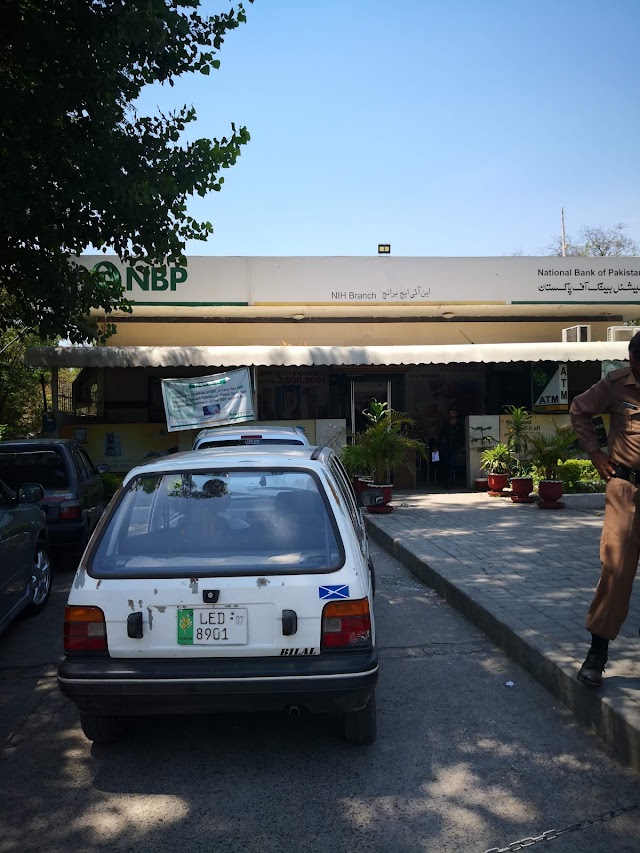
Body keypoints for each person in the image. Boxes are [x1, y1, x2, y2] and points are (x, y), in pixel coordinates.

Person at [570, 330, 640, 687]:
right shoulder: (615, 384)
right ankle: (597, 655)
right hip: (626, 488)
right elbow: (579, 410)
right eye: (636, 365)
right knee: (616, 570)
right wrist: (595, 453)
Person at [436, 408, 465, 488]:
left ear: (456, 414)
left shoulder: (459, 425)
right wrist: (437, 446)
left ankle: (450, 482)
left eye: (453, 413)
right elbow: (441, 436)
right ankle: (448, 481)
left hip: (456, 447)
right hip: (447, 447)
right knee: (446, 464)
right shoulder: (446, 424)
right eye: (450, 413)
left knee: (451, 464)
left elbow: (462, 436)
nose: (451, 415)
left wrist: (461, 446)